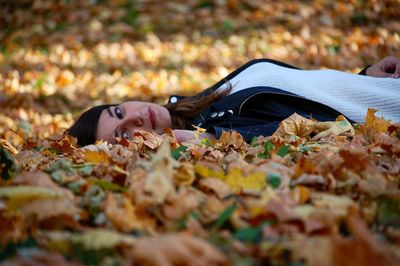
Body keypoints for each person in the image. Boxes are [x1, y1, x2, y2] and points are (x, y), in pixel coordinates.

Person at [68, 56, 400, 146]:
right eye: (123, 134)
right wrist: (212, 141)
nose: (135, 118)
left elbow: (304, 94)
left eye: (119, 111)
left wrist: (361, 77)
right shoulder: (209, 130)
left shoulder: (198, 103)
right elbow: (310, 130)